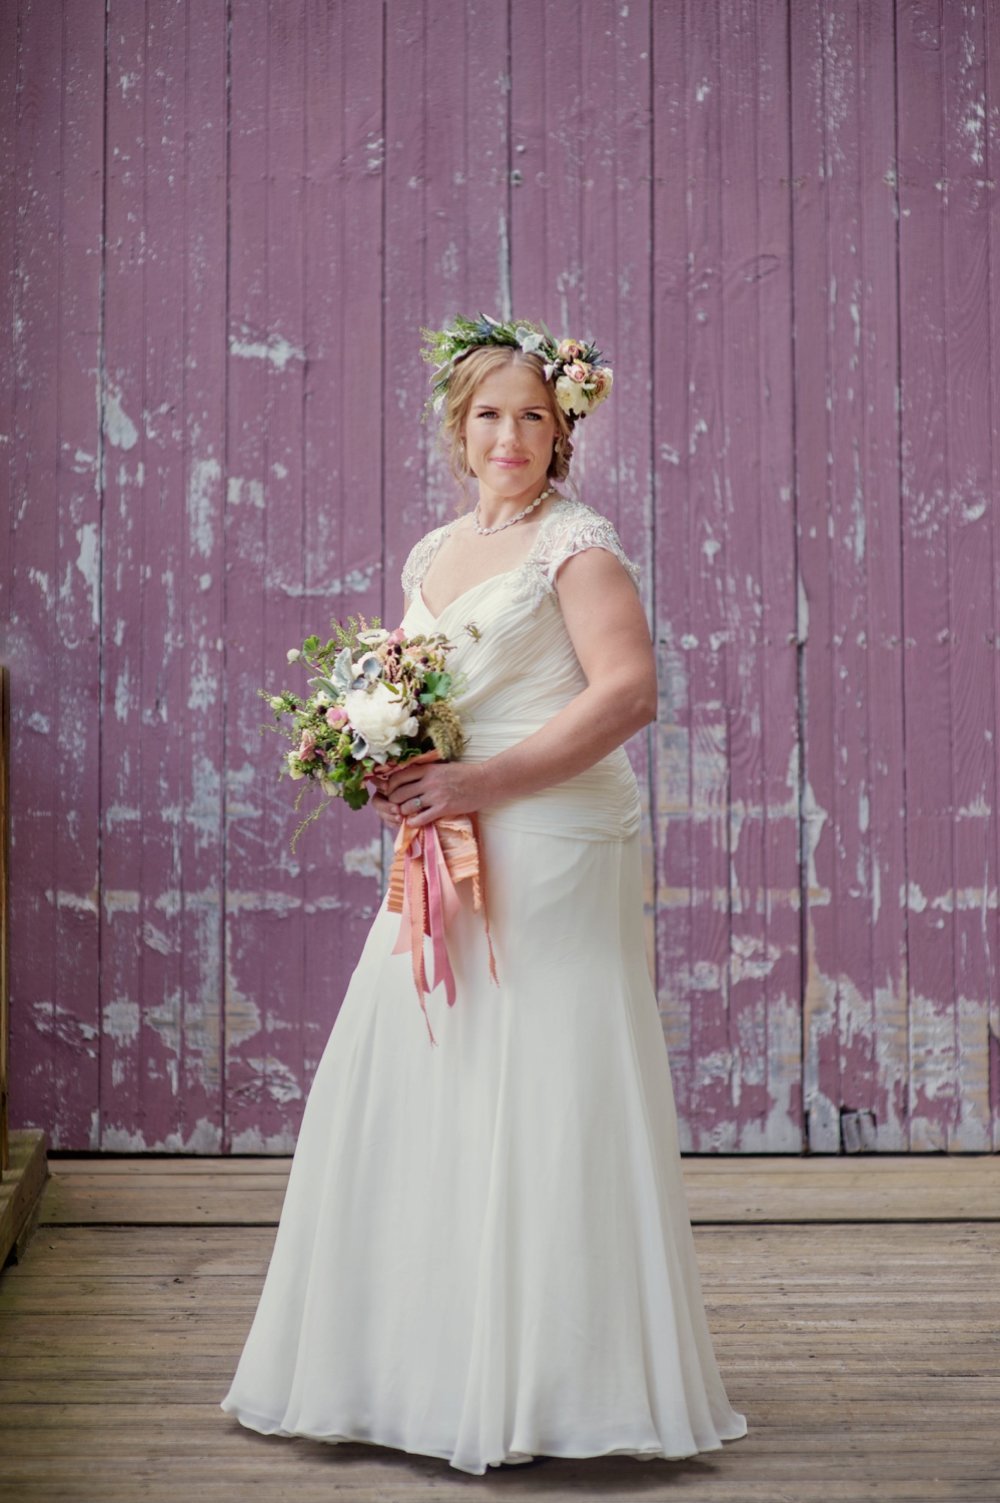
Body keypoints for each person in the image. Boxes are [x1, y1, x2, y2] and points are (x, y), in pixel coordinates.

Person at [220, 314, 747, 1475]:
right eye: (489, 416)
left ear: (563, 436)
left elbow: (626, 695)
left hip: (555, 831)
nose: (510, 436)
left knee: (544, 1072)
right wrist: (385, 762)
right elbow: (423, 693)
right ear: (458, 432)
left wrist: (479, 779)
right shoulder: (430, 555)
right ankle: (415, 1363)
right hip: (448, 836)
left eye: (534, 419)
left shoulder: (581, 549)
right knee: (420, 1055)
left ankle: (557, 1382)